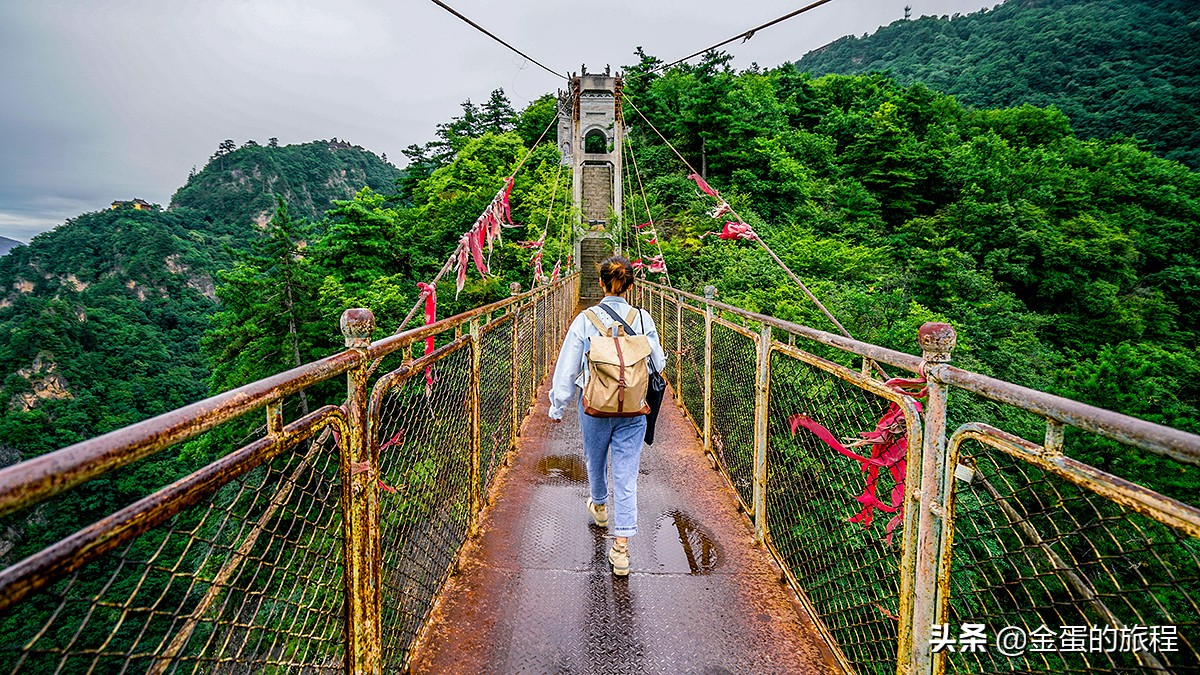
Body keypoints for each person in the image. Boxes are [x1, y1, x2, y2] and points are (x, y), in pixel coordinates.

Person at [548, 255, 667, 576]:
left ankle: (599, 506)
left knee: (595, 458)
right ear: (630, 285)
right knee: (626, 478)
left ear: (601, 283)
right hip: (634, 408)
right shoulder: (642, 318)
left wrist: (558, 405)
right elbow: (657, 363)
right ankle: (621, 550)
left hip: (594, 406)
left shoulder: (585, 320)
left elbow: (568, 366)